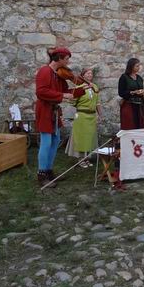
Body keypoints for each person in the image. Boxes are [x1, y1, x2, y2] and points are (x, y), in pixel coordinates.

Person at [35, 47, 84, 188]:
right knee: (46, 142)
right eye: (67, 59)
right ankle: (42, 174)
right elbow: (41, 92)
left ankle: (49, 171)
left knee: (55, 140)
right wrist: (62, 96)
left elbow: (66, 91)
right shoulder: (45, 71)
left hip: (54, 111)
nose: (68, 62)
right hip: (45, 110)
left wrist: (82, 90)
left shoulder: (58, 74)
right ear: (60, 58)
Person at [68, 67, 101, 167]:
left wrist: (100, 114)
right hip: (82, 116)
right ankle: (80, 159)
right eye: (87, 74)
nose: (90, 75)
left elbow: (97, 102)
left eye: (91, 74)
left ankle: (87, 158)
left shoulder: (95, 87)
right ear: (83, 76)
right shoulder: (79, 87)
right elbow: (73, 101)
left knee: (89, 138)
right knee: (81, 137)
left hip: (91, 116)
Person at [118, 58, 144, 130]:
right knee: (130, 125)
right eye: (137, 66)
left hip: (140, 104)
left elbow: (141, 89)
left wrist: (143, 93)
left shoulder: (139, 78)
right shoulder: (124, 77)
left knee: (140, 125)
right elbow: (121, 92)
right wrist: (133, 92)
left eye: (139, 66)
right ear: (131, 66)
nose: (138, 67)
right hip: (129, 105)